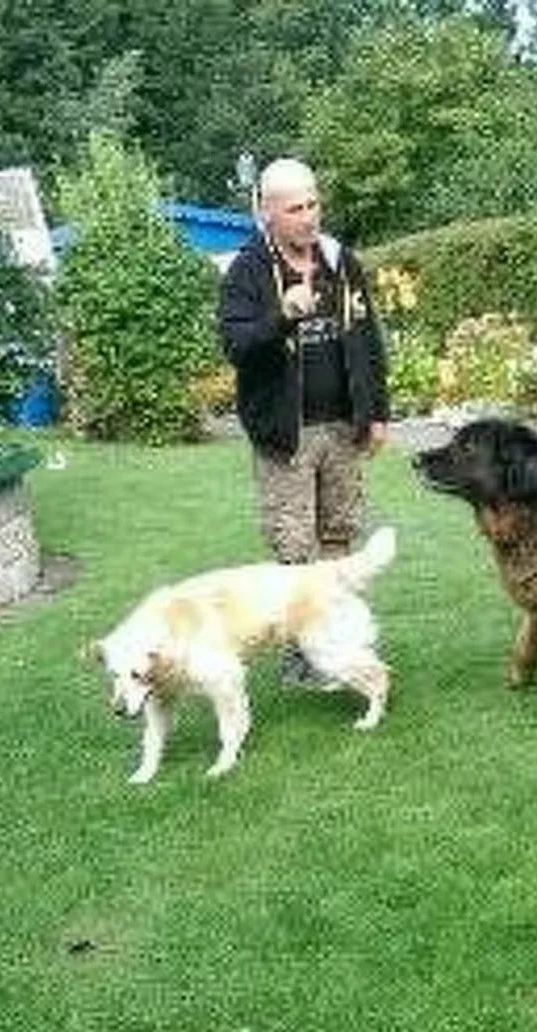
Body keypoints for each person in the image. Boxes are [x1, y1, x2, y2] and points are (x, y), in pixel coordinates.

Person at [217, 157, 390, 684]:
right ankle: (301, 655)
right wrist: (282, 316)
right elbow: (235, 345)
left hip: (342, 426)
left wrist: (377, 411)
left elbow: (366, 338)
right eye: (296, 208)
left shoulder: (341, 260)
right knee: (295, 547)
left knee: (337, 536)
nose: (309, 217)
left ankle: (333, 645)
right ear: (268, 211)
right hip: (285, 435)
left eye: (314, 203)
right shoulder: (246, 270)